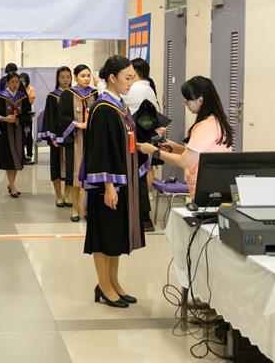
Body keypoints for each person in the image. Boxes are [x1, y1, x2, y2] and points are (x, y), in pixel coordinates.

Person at [82, 55, 145, 308]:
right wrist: (108, 185)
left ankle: (113, 282)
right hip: (108, 186)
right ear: (112, 78)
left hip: (123, 181)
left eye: (132, 77)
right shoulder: (102, 108)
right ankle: (103, 285)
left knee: (116, 235)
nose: (132, 82)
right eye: (127, 78)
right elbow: (100, 150)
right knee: (104, 235)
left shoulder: (121, 105)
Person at [137, 76, 233, 197]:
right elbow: (200, 154)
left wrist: (153, 150)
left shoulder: (206, 126)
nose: (186, 103)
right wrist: (176, 147)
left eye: (188, 99)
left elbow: (184, 162)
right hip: (214, 185)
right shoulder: (215, 121)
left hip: (206, 188)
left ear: (200, 100)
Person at [58, 64, 99, 221]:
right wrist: (78, 124)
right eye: (83, 76)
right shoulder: (68, 95)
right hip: (75, 140)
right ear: (76, 77)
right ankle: (75, 208)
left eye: (88, 75)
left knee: (91, 176)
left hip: (92, 140)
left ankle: (87, 208)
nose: (87, 79)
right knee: (75, 176)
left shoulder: (95, 94)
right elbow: (62, 117)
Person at [124, 58, 160, 231]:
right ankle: (143, 218)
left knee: (138, 179)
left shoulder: (135, 89)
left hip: (137, 139)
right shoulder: (149, 89)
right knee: (143, 175)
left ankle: (144, 219)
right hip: (146, 138)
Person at [0, 72, 32, 197]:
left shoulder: (22, 97)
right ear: (7, 83)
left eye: (17, 82)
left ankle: (11, 183)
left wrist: (20, 119)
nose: (15, 84)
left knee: (17, 159)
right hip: (5, 133)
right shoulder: (1, 97)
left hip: (19, 132)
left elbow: (27, 114)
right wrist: (5, 118)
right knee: (10, 158)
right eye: (12, 82)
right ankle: (12, 185)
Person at [40, 66, 73, 208]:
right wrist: (52, 137)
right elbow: (50, 118)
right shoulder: (52, 96)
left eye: (68, 77)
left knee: (70, 167)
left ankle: (68, 195)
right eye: (63, 77)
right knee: (56, 166)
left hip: (71, 136)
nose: (66, 80)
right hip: (57, 137)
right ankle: (59, 196)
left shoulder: (75, 95)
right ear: (58, 79)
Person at [20, 72, 36, 165]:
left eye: (24, 81)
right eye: (21, 81)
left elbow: (29, 102)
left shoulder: (31, 89)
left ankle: (29, 154)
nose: (23, 83)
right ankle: (21, 154)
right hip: (20, 115)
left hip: (28, 115)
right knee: (21, 135)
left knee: (28, 135)